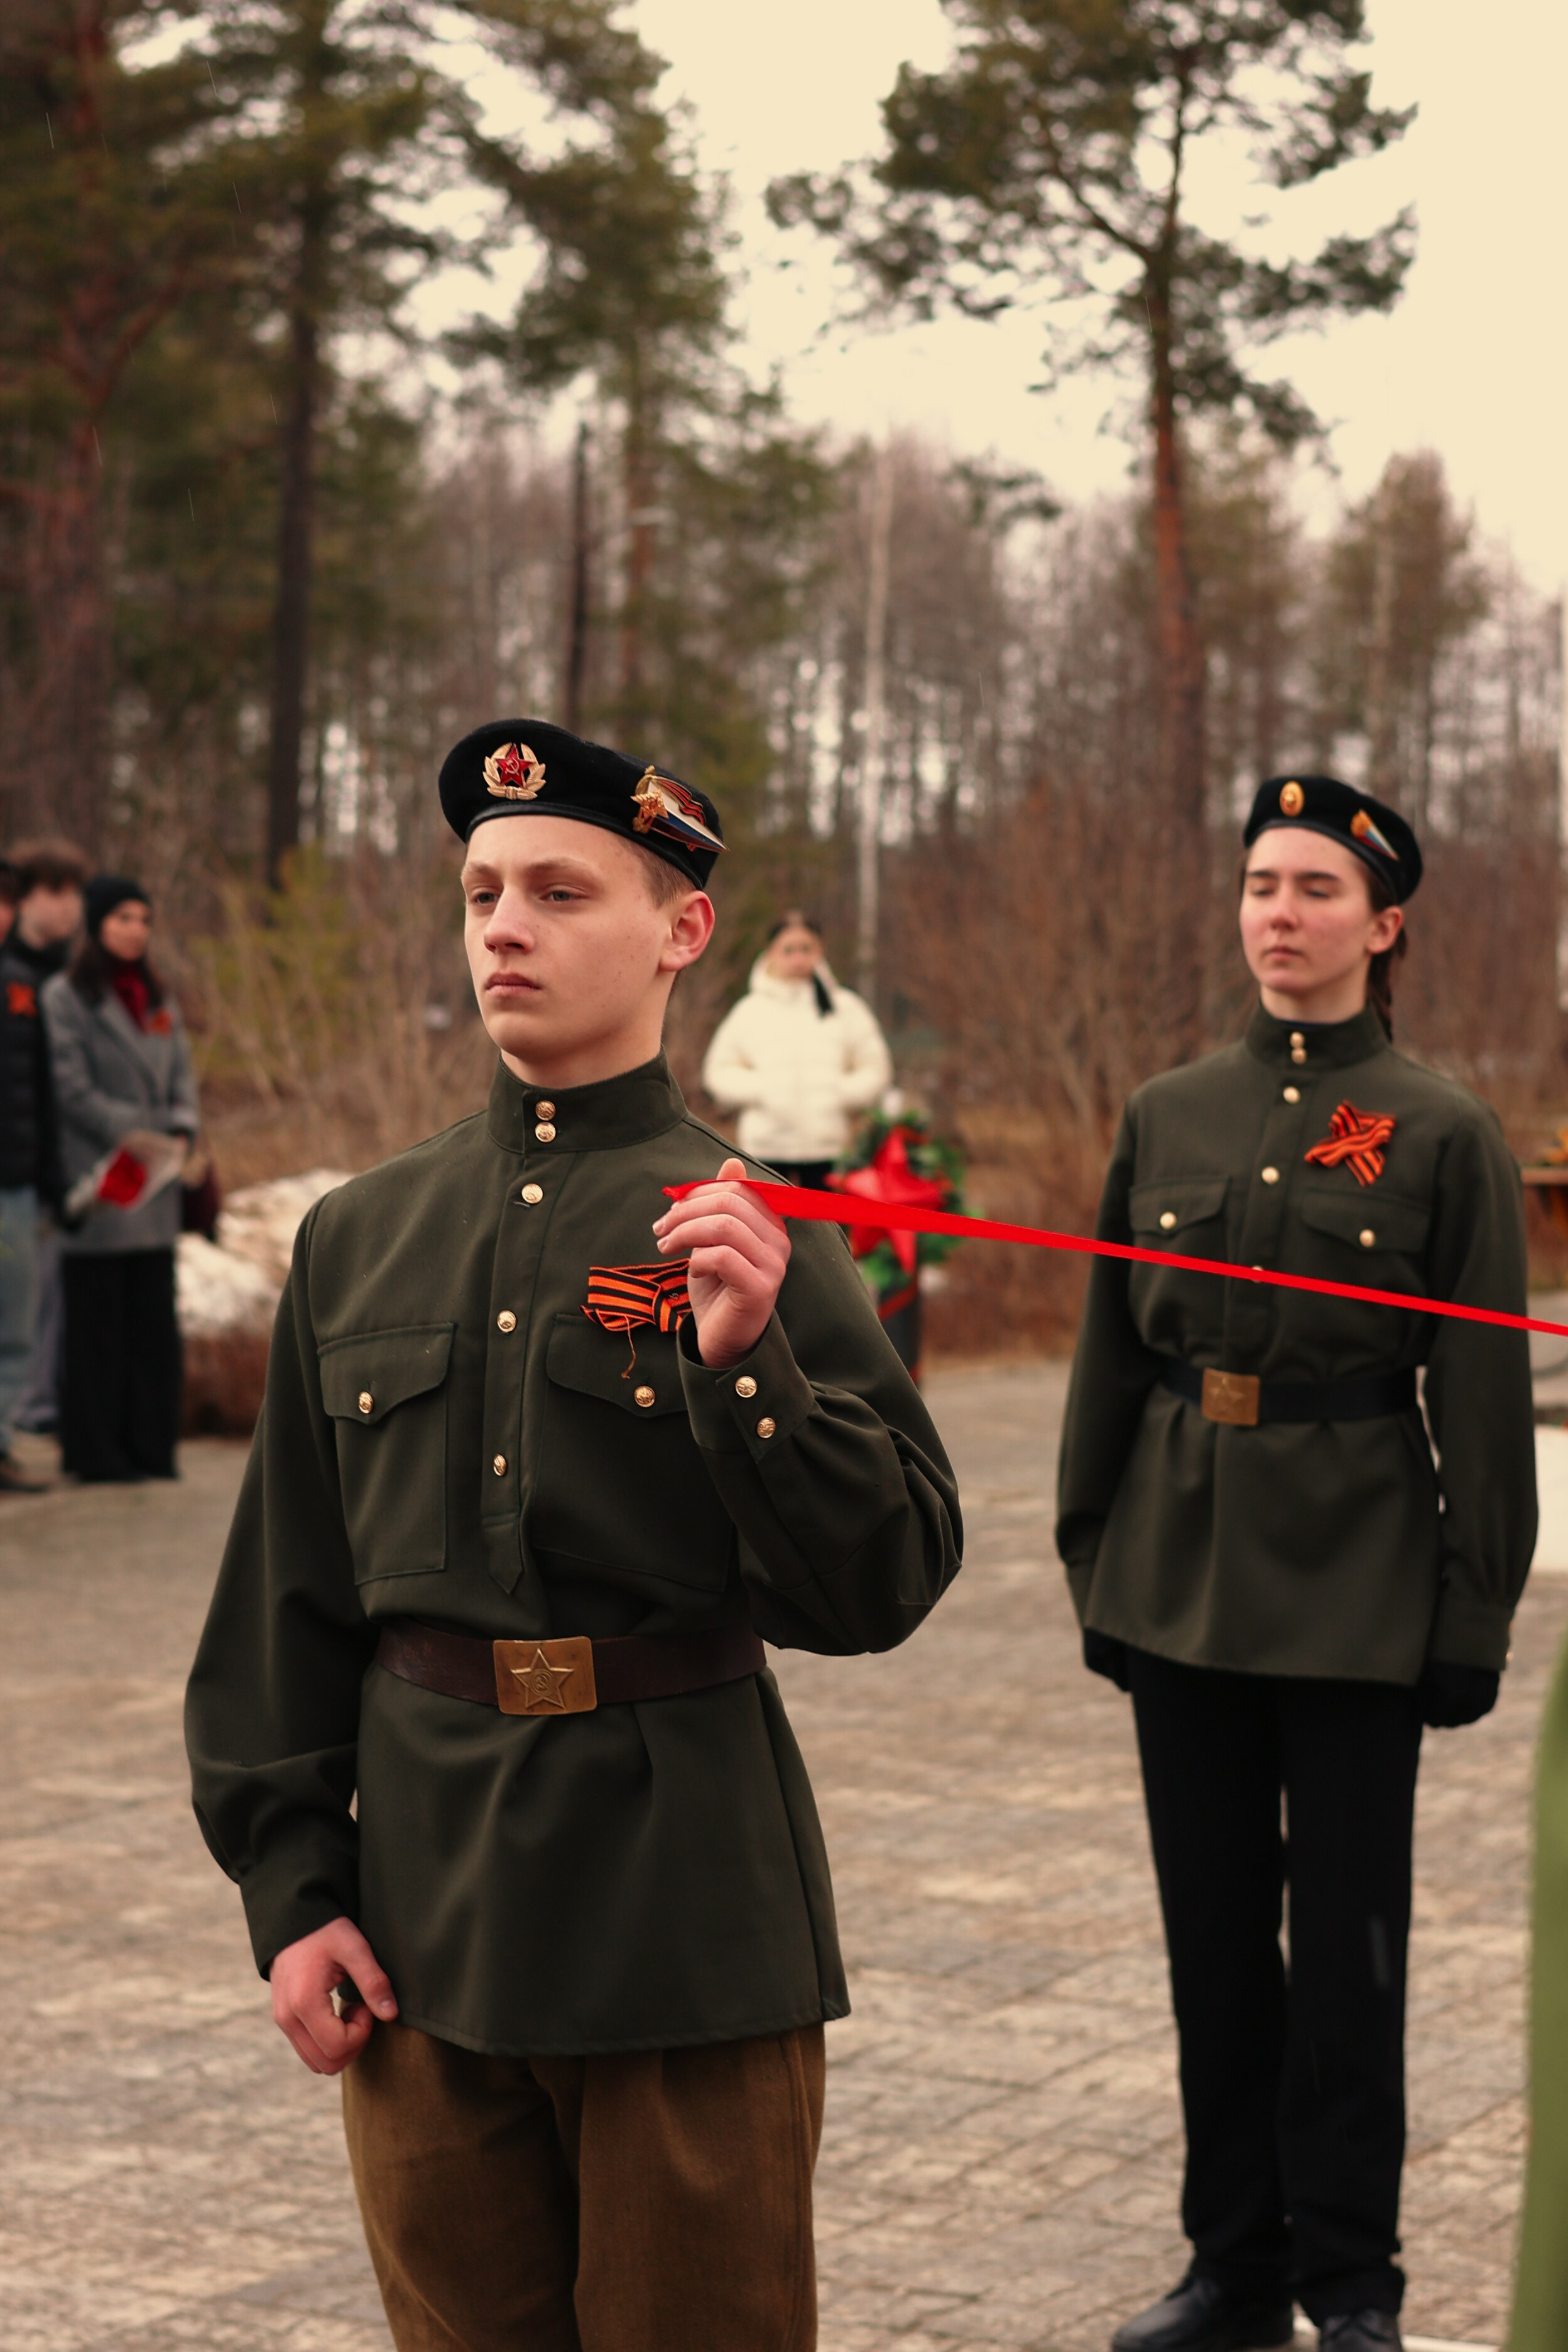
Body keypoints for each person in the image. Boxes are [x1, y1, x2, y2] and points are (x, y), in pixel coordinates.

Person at [185, 721, 962, 2352]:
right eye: (480, 894)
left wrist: (750, 1370)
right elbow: (288, 1593)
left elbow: (883, 1578)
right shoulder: (361, 1237)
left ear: (681, 931)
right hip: (422, 1925)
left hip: (682, 1921)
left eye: (556, 890)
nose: (503, 929)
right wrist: (291, 1884)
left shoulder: (740, 1223)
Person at [1055, 776, 1536, 2352]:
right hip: (1178, 1576)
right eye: (1261, 882)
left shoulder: (1439, 1130)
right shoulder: (1167, 1112)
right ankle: (1232, 2268)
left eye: (1316, 887)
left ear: (1381, 923)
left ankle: (1351, 2280)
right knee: (1211, 1946)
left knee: (1345, 1959)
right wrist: (1092, 1562)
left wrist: (1470, 1607)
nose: (1279, 910)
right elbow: (1105, 1369)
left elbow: (1475, 1398)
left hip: (1354, 1588)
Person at [42, 875, 199, 1482]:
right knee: (98, 1330)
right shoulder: (67, 996)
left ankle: (151, 1449)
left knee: (152, 1327)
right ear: (98, 923)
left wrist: (180, 1127)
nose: (136, 930)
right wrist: (144, 1129)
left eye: (144, 919)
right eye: (123, 918)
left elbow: (183, 1073)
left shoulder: (157, 996)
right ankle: (97, 1454)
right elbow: (72, 1091)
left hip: (157, 1186)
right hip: (104, 1182)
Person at [702, 909, 892, 1190]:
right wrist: (761, 1089)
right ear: (771, 952)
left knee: (826, 1231)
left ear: (820, 951)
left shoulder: (845, 1008)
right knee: (767, 1231)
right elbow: (718, 1073)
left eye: (806, 949)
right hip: (765, 1153)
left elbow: (876, 1069)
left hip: (828, 1151)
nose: (798, 958)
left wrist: (840, 1092)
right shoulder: (749, 1011)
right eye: (788, 950)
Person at [4, 836, 86, 1439]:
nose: (68, 907)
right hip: (15, 1175)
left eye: (74, 894)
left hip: (33, 1174)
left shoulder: (64, 976)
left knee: (26, 1317)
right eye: (54, 893)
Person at [0, 855, 58, 1491]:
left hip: (14, 1183)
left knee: (14, 1322)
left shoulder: (23, 987)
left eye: (6, 901)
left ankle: (1, 1441)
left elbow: (42, 1093)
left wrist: (49, 1175)